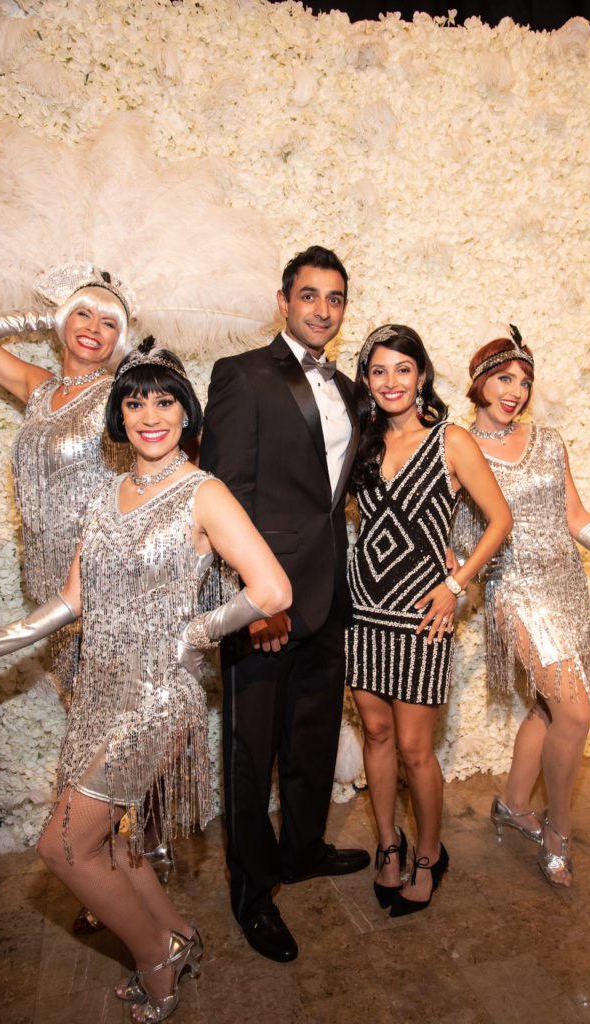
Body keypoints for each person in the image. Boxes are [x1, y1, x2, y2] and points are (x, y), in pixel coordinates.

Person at [0, 338, 291, 1023]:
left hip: (157, 697)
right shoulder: (105, 496)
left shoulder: (203, 493)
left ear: (187, 414)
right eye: (135, 399)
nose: (150, 413)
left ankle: (154, 956)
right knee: (110, 840)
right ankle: (175, 931)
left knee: (60, 845)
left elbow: (272, 588)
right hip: (97, 692)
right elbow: (70, 604)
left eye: (166, 400)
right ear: (119, 415)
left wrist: (199, 631)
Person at [200, 245, 369, 963]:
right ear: (284, 300)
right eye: (310, 296)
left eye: (334, 298)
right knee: (250, 750)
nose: (322, 310)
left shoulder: (353, 389)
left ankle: (302, 849)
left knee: (310, 736)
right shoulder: (242, 376)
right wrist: (253, 601)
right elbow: (226, 495)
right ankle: (252, 892)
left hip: (330, 595)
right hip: (264, 601)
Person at [453, 322, 590, 887]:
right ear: (479, 384)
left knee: (549, 708)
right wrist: (451, 577)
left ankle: (513, 802)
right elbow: (447, 530)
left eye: (524, 380)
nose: (515, 390)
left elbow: (574, 515)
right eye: (503, 378)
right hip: (514, 591)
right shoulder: (459, 447)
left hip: (569, 587)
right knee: (576, 711)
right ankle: (558, 830)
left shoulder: (549, 442)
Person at [346, 324, 512, 916]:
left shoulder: (451, 440)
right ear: (367, 380)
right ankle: (388, 842)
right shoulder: (359, 441)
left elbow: (499, 520)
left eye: (403, 369)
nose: (391, 381)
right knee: (378, 734)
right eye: (379, 370)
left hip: (421, 612)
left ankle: (429, 853)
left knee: (417, 748)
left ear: (421, 377)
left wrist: (455, 584)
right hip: (362, 607)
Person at [0, 269, 132, 691]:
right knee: (81, 703)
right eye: (83, 316)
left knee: (116, 713)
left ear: (119, 339)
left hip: (101, 577)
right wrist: (47, 317)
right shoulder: (40, 388)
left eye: (108, 323)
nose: (93, 330)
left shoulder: (121, 395)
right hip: (48, 582)